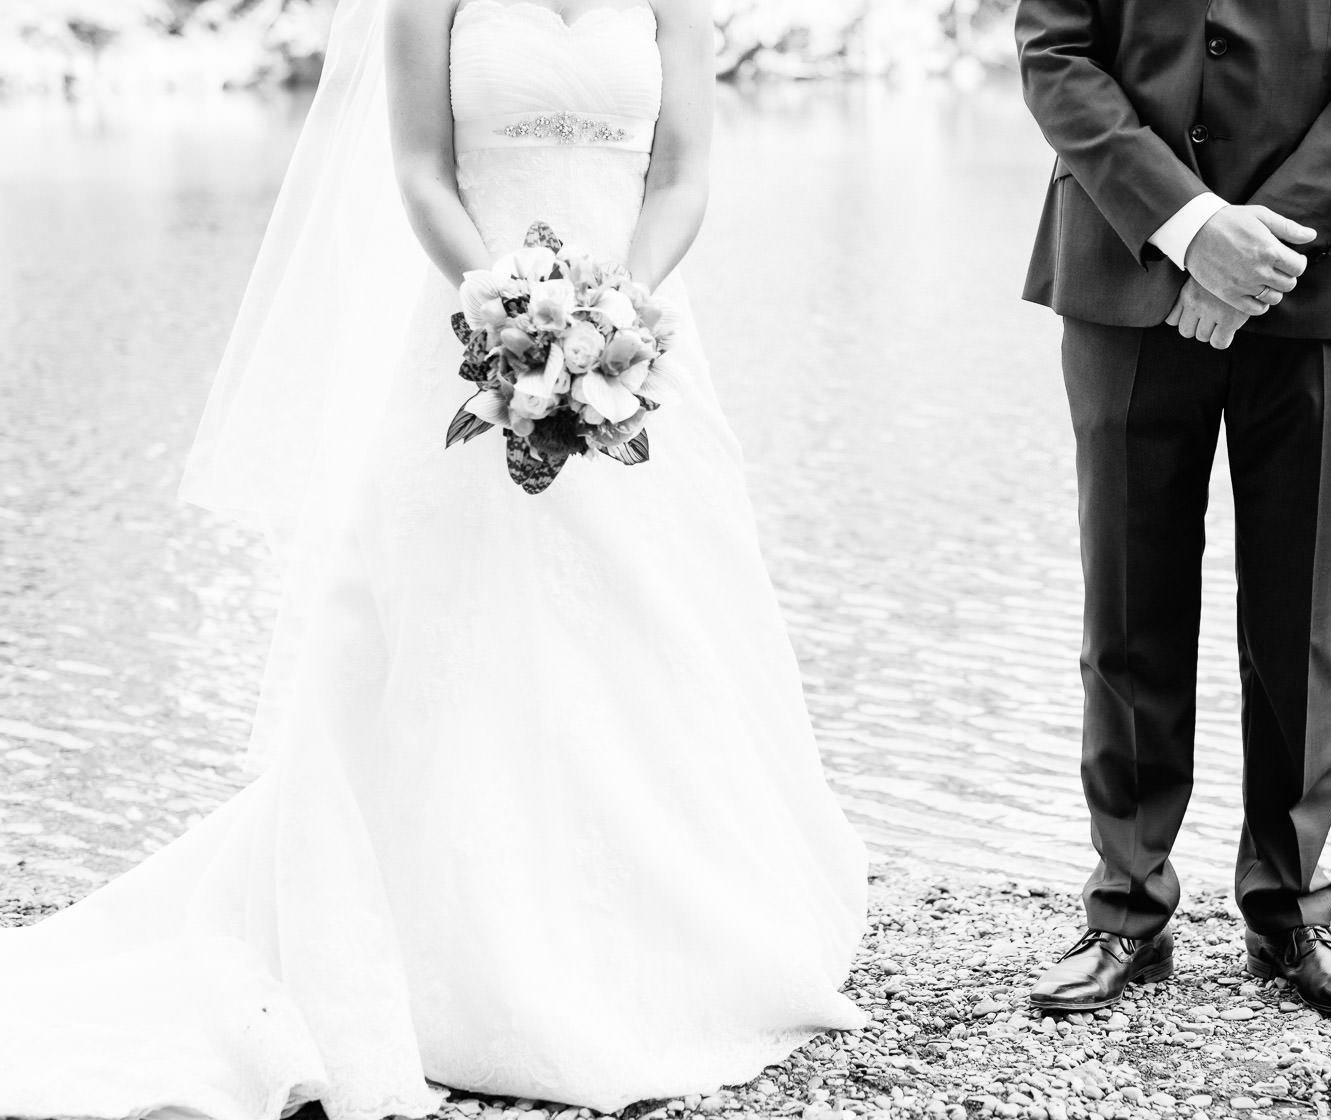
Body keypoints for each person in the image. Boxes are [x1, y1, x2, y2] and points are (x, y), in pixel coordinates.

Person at [0, 0, 868, 1115]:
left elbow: (684, 176)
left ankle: (664, 928)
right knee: (464, 622)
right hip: (470, 336)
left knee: (662, 617)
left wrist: (618, 311)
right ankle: (461, 950)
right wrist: (510, 311)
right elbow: (418, 170)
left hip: (642, 337)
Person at [1014, 0, 1331, 1018]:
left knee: (1299, 615)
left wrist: (1256, 248)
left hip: (1327, 278)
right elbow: (1056, 51)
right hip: (1129, 268)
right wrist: (1192, 225)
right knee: (1127, 604)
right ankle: (1127, 904)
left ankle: (1290, 906)